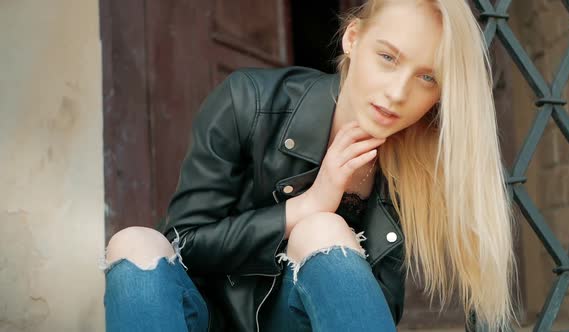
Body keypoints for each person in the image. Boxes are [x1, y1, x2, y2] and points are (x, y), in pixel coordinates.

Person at [101, 0, 518, 331]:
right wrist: (307, 205)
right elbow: (184, 243)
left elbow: (374, 312)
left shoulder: (416, 162)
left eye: (428, 78)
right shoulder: (247, 101)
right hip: (203, 319)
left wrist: (318, 230)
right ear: (353, 38)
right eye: (389, 57)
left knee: (323, 232)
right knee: (134, 243)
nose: (397, 93)